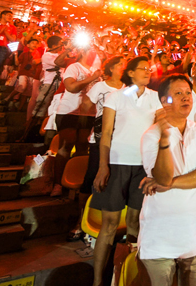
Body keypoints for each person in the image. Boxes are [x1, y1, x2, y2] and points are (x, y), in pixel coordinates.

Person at [137, 75, 196, 286]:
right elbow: (162, 177)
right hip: (160, 238)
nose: (186, 98)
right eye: (178, 93)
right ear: (164, 101)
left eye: (188, 93)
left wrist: (171, 184)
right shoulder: (151, 136)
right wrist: (165, 140)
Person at [91, 56, 159, 286]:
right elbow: (106, 133)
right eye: (143, 69)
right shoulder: (116, 96)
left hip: (143, 166)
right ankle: (98, 281)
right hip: (117, 163)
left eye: (149, 69)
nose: (147, 72)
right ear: (130, 73)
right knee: (109, 224)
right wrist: (103, 166)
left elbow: (161, 128)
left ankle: (128, 278)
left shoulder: (155, 97)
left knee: (135, 222)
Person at [68, 56, 125, 242]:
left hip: (121, 139)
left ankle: (108, 222)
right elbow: (86, 105)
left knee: (115, 180)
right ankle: (80, 220)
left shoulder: (128, 89)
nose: (123, 67)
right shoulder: (100, 86)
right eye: (120, 65)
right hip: (100, 138)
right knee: (92, 177)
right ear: (111, 68)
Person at [51, 48, 102, 197]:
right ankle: (58, 184)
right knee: (65, 146)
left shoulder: (95, 71)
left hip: (89, 113)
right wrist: (91, 78)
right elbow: (71, 87)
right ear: (84, 52)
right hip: (69, 111)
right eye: (93, 51)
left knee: (82, 147)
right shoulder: (74, 67)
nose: (96, 54)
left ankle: (75, 183)